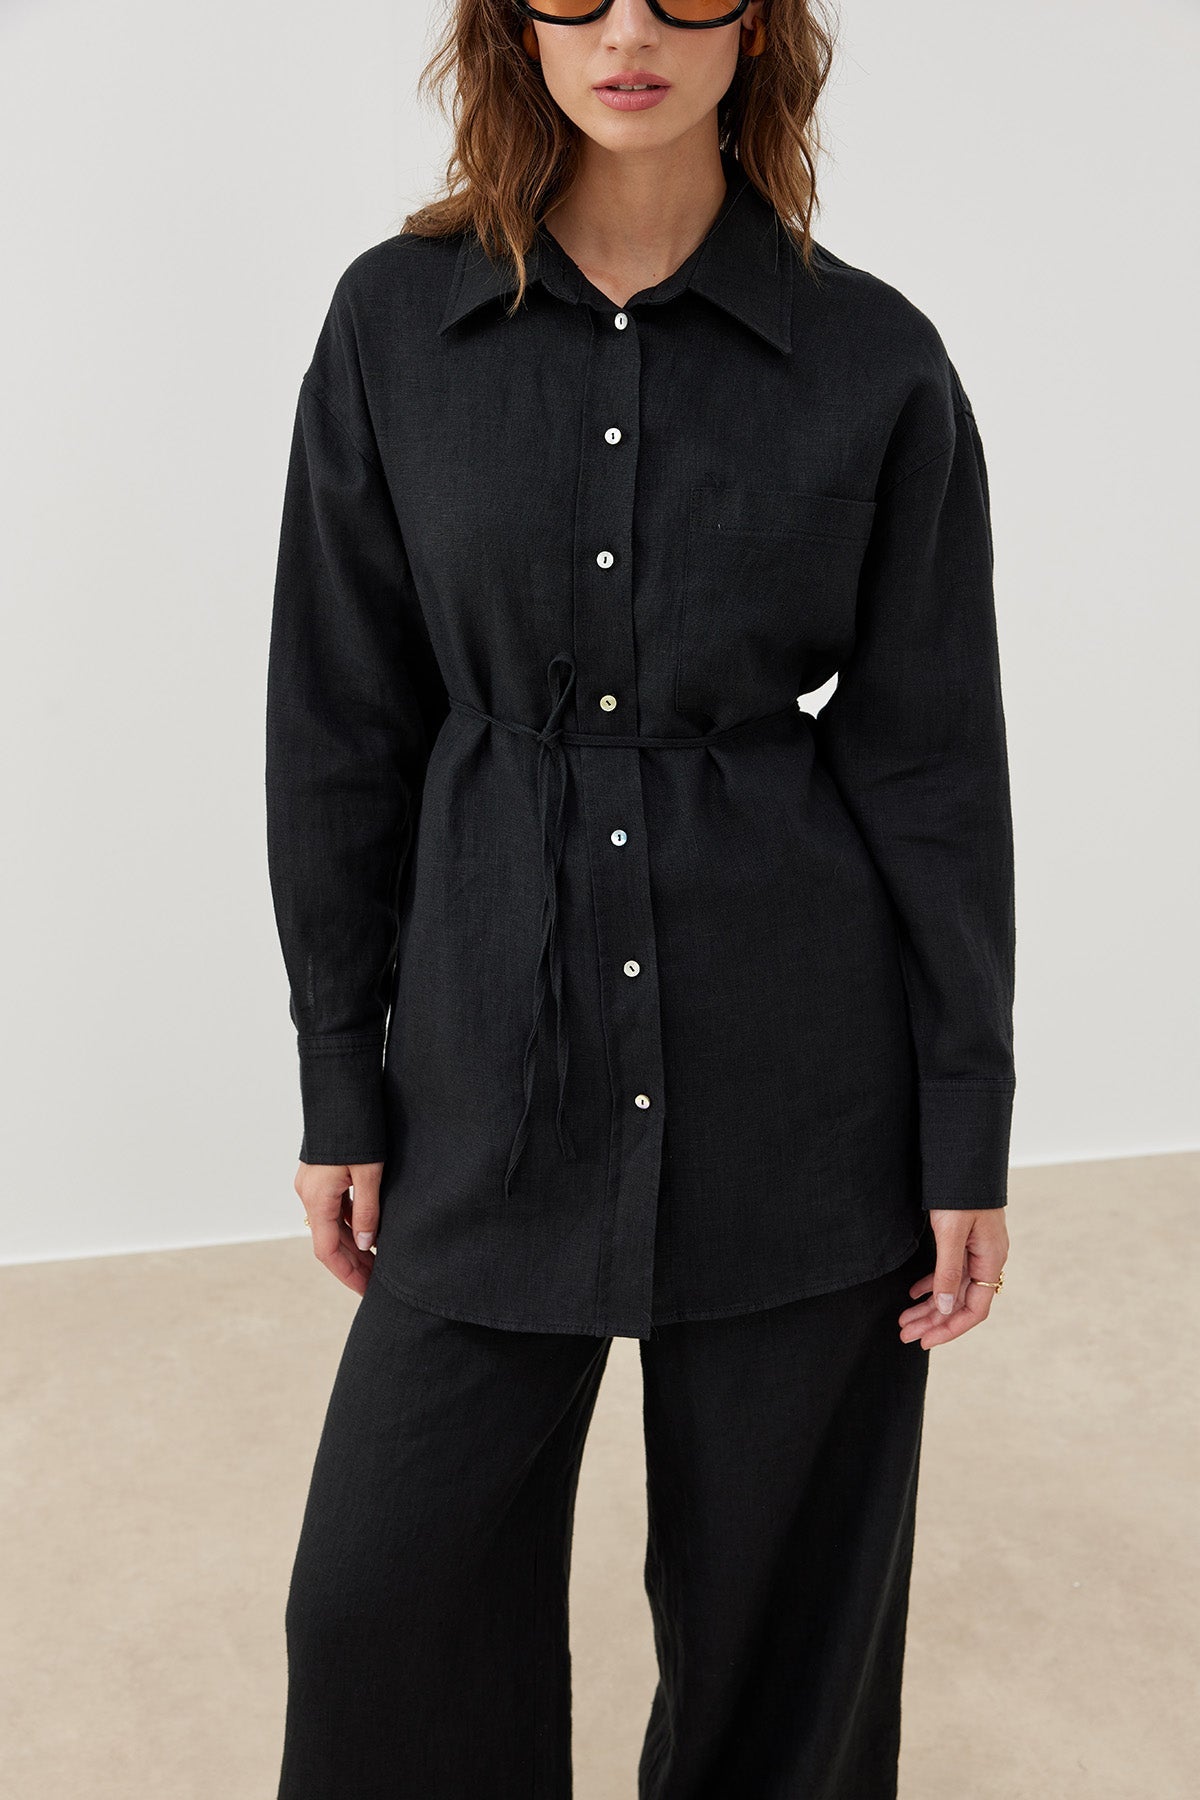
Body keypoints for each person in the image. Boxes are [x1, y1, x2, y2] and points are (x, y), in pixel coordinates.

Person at [264, 1, 1016, 1794]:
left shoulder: (876, 359)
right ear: (508, 28)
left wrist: (964, 1126)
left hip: (801, 1090)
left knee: (781, 1661)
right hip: (485, 1072)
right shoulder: (395, 326)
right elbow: (341, 725)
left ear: (754, 26)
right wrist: (340, 1072)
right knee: (379, 1611)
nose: (627, 31)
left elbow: (931, 766)